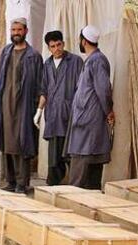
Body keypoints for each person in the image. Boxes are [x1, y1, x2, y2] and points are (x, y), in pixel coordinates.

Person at [0, 17, 43, 193]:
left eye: (19, 30)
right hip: (5, 105)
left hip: (24, 106)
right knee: (6, 143)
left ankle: (22, 183)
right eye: (13, 30)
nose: (16, 33)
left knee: (21, 144)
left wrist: (37, 108)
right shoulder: (5, 52)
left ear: (26, 31)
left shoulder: (33, 56)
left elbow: (39, 84)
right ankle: (10, 181)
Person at [67, 25, 115, 189]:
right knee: (90, 157)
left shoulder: (97, 61)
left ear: (84, 41)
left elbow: (104, 90)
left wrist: (109, 111)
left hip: (89, 120)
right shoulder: (92, 60)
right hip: (86, 119)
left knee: (82, 161)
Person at [35, 31, 83, 185]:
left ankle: (78, 186)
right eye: (53, 46)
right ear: (49, 48)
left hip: (70, 114)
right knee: (54, 155)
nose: (57, 48)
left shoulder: (75, 61)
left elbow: (82, 88)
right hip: (53, 116)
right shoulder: (47, 64)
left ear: (63, 43)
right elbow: (44, 90)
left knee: (71, 151)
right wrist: (39, 111)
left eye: (59, 44)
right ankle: (53, 186)